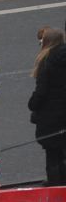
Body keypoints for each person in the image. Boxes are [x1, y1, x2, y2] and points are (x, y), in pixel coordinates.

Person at [31, 26, 66, 188]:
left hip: (51, 116)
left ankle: (56, 187)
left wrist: (32, 104)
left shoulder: (47, 61)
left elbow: (41, 91)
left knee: (53, 154)